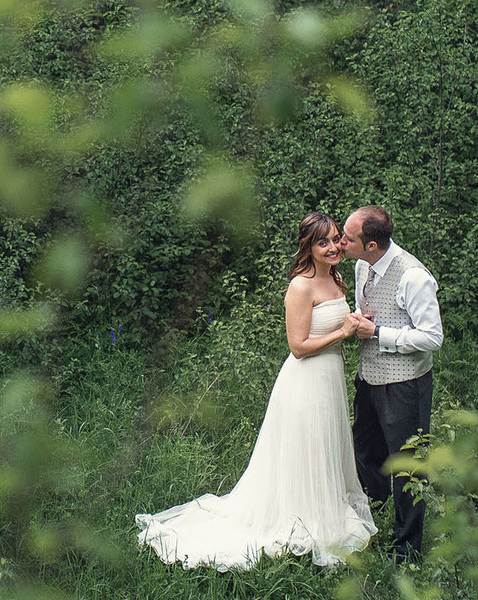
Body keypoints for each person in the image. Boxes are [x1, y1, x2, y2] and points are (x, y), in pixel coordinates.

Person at [135, 212, 379, 569]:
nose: (331, 247)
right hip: (306, 381)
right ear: (308, 248)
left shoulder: (338, 280)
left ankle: (321, 508)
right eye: (321, 242)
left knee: (325, 445)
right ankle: (298, 519)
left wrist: (356, 324)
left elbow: (336, 323)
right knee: (305, 448)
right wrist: (342, 333)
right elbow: (298, 346)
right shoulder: (301, 286)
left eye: (335, 239)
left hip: (330, 379)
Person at [343, 205, 443, 558]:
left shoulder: (413, 276)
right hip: (367, 378)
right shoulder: (360, 265)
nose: (341, 242)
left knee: (407, 465)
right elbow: (367, 308)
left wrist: (379, 333)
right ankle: (371, 520)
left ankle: (407, 549)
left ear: (371, 245)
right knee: (366, 453)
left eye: (348, 238)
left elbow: (432, 337)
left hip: (404, 385)